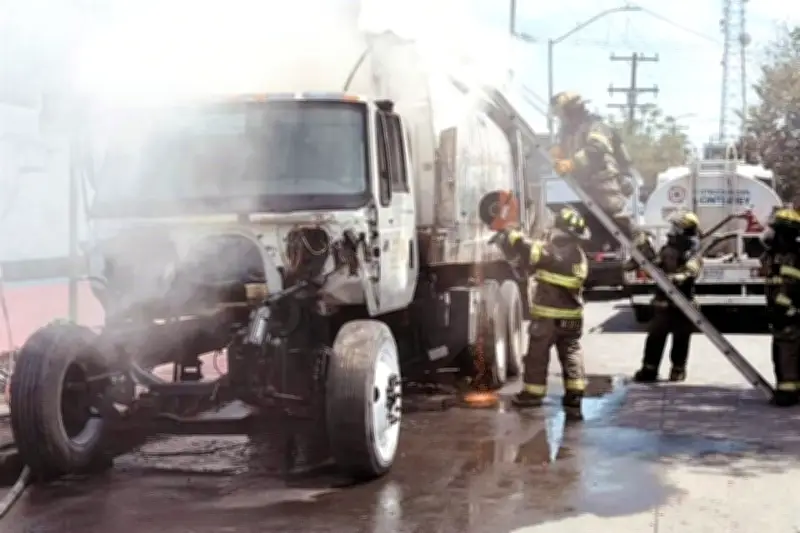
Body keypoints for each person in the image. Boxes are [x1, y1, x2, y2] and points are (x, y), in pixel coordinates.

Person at [494, 206, 590, 421]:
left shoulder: (558, 250)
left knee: (537, 356)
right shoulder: (578, 255)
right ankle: (575, 394)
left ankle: (532, 395)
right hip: (573, 317)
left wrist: (514, 236)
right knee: (572, 354)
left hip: (549, 317)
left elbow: (535, 252)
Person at [548, 91, 636, 236]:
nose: (560, 118)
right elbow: (561, 151)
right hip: (585, 188)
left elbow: (597, 149)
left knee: (614, 221)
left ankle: (632, 237)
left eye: (561, 113)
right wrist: (556, 153)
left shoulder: (595, 127)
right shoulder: (567, 132)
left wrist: (571, 163)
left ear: (572, 111)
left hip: (607, 185)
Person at [632, 211, 702, 383]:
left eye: (675, 227)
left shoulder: (692, 249)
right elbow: (658, 265)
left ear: (683, 231)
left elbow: (692, 269)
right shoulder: (668, 248)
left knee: (681, 338)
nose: (671, 230)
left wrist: (678, 277)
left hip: (683, 302)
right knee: (655, 337)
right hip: (663, 302)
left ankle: (677, 370)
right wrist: (645, 254)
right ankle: (649, 370)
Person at [759, 199, 800, 406]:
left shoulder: (794, 256)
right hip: (780, 311)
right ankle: (787, 388)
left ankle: (788, 392)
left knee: (787, 352)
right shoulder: (774, 255)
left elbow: (791, 286)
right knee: (782, 351)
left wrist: (789, 308)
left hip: (790, 312)